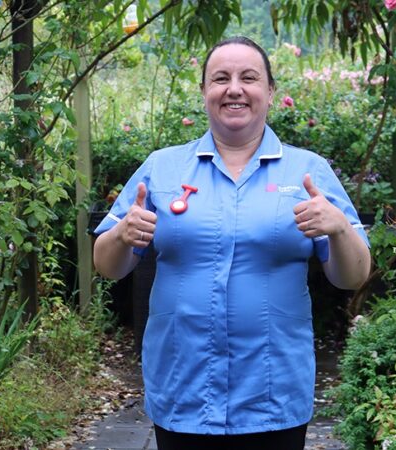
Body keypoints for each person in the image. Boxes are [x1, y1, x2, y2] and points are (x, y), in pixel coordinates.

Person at [93, 36, 371, 450]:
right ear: (205, 90)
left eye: (249, 77)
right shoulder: (162, 166)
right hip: (183, 387)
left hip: (273, 392)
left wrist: (339, 229)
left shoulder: (308, 170)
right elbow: (107, 265)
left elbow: (354, 276)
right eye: (220, 78)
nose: (234, 88)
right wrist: (121, 234)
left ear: (271, 92)